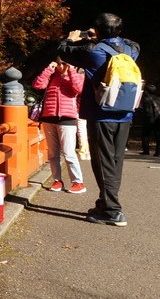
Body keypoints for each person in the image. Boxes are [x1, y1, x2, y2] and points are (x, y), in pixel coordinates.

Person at [57, 12, 140, 226]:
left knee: (102, 162)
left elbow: (63, 51)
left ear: (98, 29)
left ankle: (113, 211)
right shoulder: (131, 50)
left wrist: (73, 38)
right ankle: (104, 204)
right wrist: (101, 35)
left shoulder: (93, 51)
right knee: (114, 161)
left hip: (101, 114)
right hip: (125, 114)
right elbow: (130, 41)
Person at [32, 58, 86, 193]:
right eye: (59, 63)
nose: (61, 67)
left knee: (68, 153)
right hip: (49, 118)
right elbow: (38, 85)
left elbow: (79, 89)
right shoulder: (51, 76)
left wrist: (71, 70)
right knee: (52, 153)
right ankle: (57, 180)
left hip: (67, 119)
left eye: (64, 64)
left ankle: (78, 182)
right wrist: (49, 68)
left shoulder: (76, 75)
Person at [139, 84, 160, 156]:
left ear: (146, 91)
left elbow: (142, 110)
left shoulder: (145, 99)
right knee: (158, 135)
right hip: (158, 119)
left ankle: (146, 151)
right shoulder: (158, 98)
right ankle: (158, 152)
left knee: (145, 135)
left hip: (149, 119)